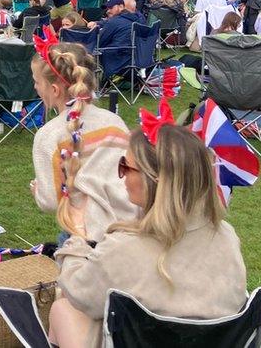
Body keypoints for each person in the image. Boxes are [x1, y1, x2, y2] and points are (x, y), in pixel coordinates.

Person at [48, 124, 247, 348]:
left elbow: (80, 293)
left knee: (63, 309)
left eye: (125, 166)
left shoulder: (124, 248)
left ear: (153, 180)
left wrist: (78, 238)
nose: (121, 176)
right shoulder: (226, 237)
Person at [30, 42, 138, 242]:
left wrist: (37, 190)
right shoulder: (114, 121)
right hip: (129, 227)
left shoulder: (49, 136)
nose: (35, 86)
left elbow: (51, 201)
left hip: (85, 234)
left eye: (36, 81)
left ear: (54, 90)